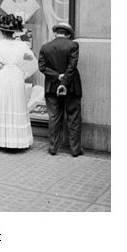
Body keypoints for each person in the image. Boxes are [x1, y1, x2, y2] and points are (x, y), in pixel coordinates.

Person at [0, 14, 35, 149]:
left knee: (2, 103)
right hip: (16, 76)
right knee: (16, 103)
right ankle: (16, 140)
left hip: (3, 75)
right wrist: (20, 62)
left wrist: (1, 65)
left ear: (1, 31)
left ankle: (1, 139)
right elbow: (31, 58)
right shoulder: (22, 45)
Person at [38, 22, 83, 157]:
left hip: (52, 87)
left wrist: (57, 77)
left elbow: (42, 67)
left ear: (56, 33)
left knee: (54, 118)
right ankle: (75, 150)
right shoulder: (73, 45)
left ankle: (53, 148)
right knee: (73, 118)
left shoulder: (45, 47)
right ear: (68, 34)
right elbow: (72, 66)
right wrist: (64, 81)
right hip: (71, 87)